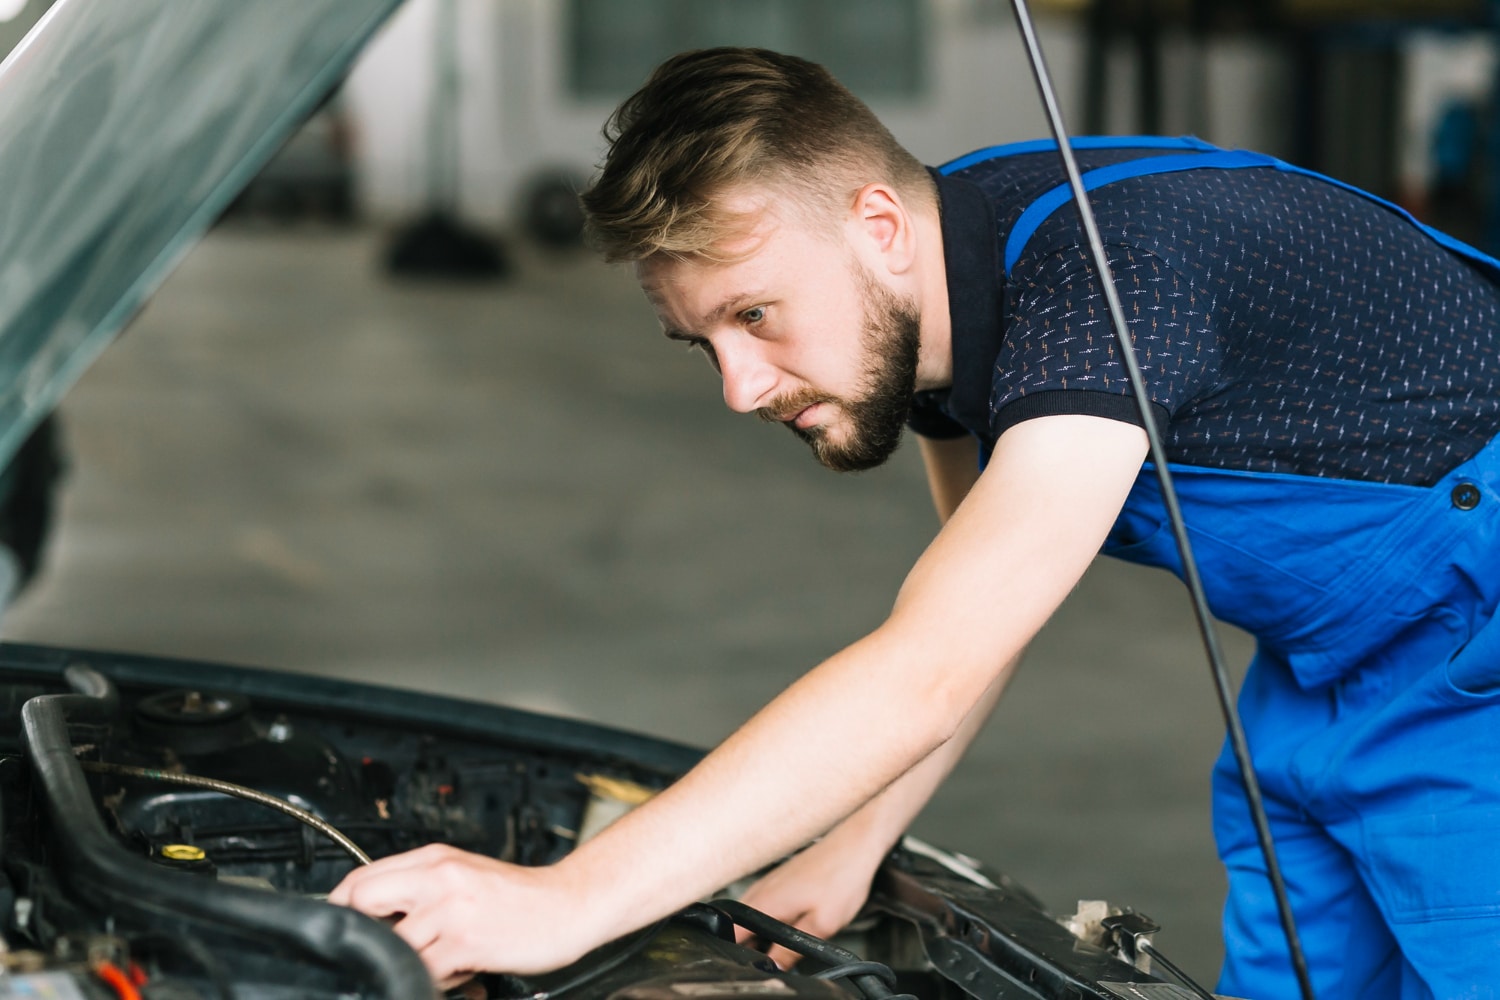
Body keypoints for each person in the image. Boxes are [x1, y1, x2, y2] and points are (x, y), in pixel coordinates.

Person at [331, 48, 1500, 1000]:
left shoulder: (1104, 286)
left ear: (878, 225)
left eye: (757, 314)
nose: (741, 386)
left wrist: (567, 898)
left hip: (1473, 661)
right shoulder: (946, 270)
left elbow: (926, 668)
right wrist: (851, 842)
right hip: (1331, 673)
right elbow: (967, 616)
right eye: (707, 342)